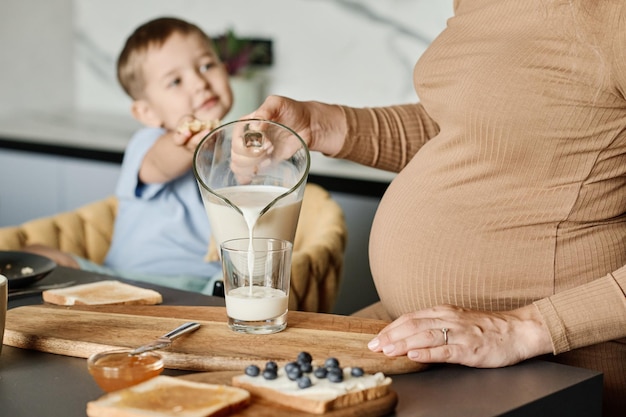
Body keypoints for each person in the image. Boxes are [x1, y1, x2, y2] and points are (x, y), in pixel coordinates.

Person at [241, 1, 626, 415]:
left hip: (556, 361)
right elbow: (478, 126)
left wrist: (525, 328)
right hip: (426, 331)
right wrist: (323, 125)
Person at [27, 17, 233, 295]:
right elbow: (161, 163)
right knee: (33, 254)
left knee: (234, 288)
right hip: (120, 279)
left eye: (207, 66)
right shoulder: (148, 144)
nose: (199, 83)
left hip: (199, 286)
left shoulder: (235, 148)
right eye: (175, 81)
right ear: (147, 113)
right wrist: (187, 143)